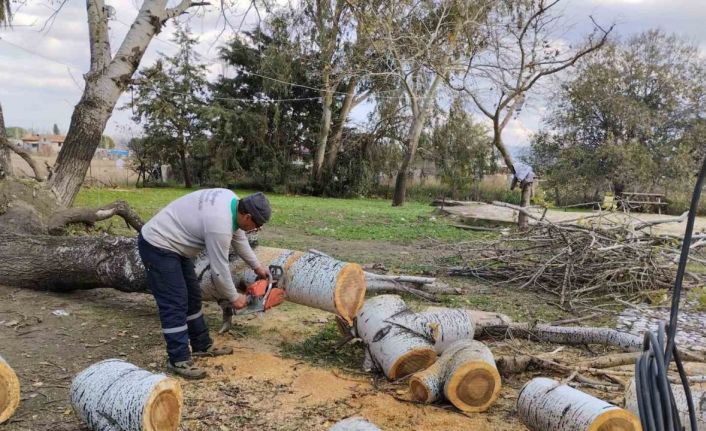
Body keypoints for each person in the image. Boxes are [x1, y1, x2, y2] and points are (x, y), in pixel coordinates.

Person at [138, 188, 272, 379]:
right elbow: (219, 270)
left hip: (177, 246)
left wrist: (258, 267)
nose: (256, 230)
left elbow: (239, 238)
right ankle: (178, 359)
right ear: (248, 216)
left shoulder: (233, 202)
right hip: (158, 244)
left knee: (193, 296)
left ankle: (201, 344)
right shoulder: (219, 223)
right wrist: (234, 298)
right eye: (257, 225)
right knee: (175, 301)